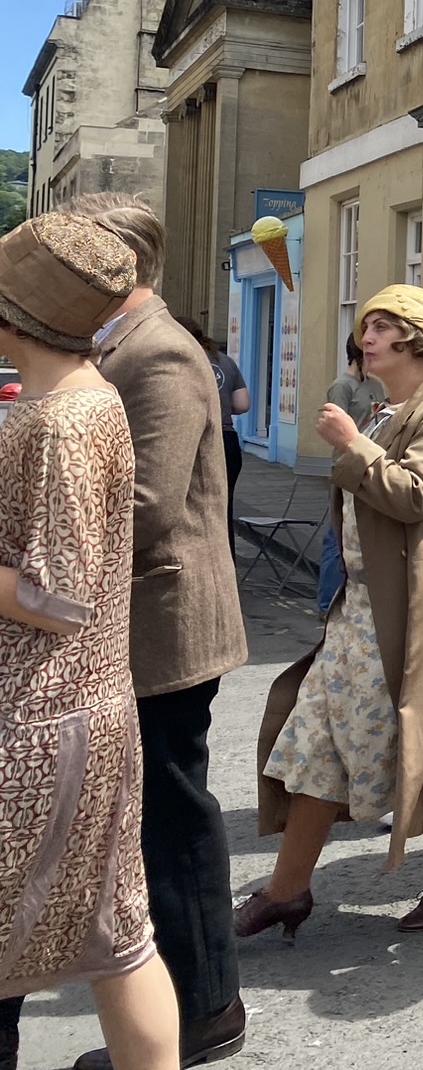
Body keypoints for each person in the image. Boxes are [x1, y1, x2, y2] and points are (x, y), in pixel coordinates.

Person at [242, 286, 423, 940]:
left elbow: (415, 495)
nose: (369, 336)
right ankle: (288, 888)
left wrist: (351, 445)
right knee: (314, 736)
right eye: (368, 325)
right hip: (363, 604)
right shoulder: (391, 409)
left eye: (384, 326)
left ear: (416, 339)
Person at [60, 195, 249, 1069]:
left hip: (166, 623)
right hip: (138, 618)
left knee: (173, 818)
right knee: (148, 819)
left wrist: (36, 539)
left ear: (117, 265)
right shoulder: (116, 346)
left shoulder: (161, 352)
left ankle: (208, 1008)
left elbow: (147, 505)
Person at [0, 214, 181, 1070]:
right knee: (115, 934)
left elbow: (59, 596)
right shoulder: (69, 397)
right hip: (72, 708)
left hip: (41, 716)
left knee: (111, 934)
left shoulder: (64, 417)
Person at [319, 338, 389, 615]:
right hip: (346, 466)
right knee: (336, 538)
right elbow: (334, 432)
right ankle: (327, 603)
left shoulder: (375, 385)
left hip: (371, 464)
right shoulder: (341, 386)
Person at [182, 319, 248, 536]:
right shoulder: (226, 362)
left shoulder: (183, 360)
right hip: (228, 440)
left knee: (193, 508)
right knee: (224, 507)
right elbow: (242, 404)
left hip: (196, 439)